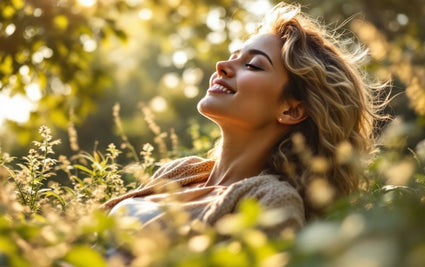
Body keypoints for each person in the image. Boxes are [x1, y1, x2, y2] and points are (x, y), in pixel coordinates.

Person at [103, 2, 383, 237]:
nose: (222, 66)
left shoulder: (272, 201)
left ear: (292, 111)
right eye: (232, 56)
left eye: (252, 65)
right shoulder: (182, 172)